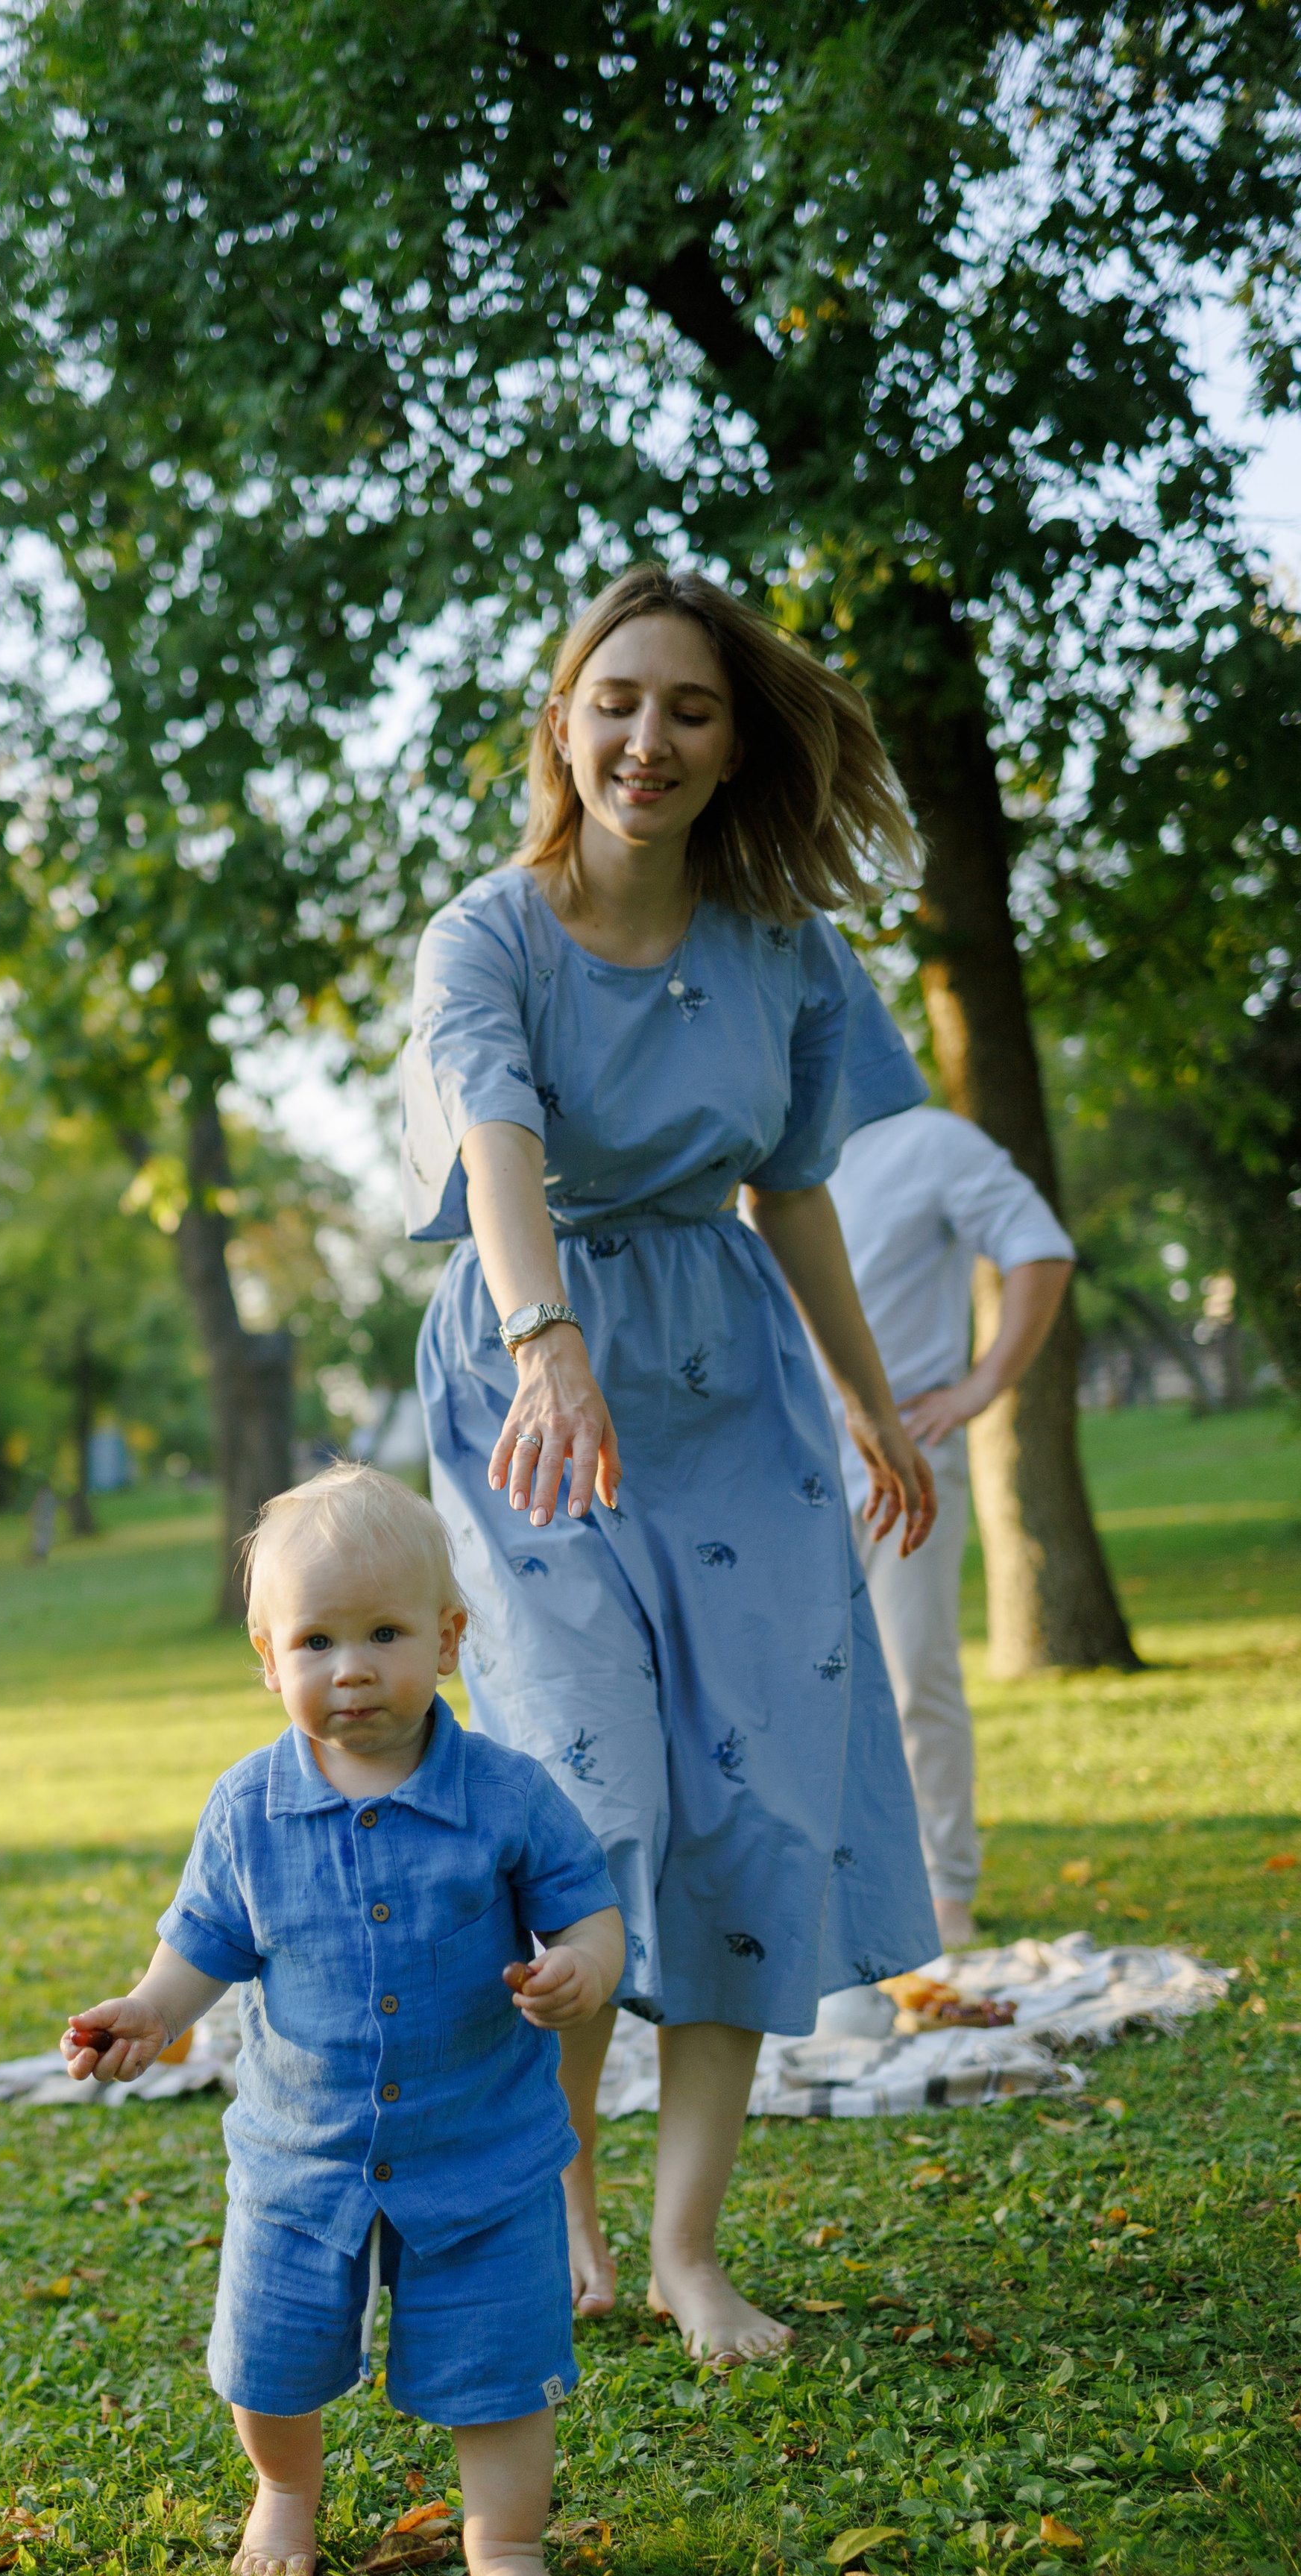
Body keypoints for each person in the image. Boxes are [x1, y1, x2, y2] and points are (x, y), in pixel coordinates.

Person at [403, 562, 941, 2361]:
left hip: (728, 1383)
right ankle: (551, 2188)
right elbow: (495, 1146)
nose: (645, 735)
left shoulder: (782, 952)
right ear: (562, 721)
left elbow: (789, 1189)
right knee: (587, 1795)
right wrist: (544, 1339)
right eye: (614, 698)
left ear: (728, 750)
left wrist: (865, 1399)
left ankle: (689, 2243)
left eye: (687, 710)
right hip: (533, 1378)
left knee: (748, 1800)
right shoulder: (487, 929)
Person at [60, 1464, 626, 2576]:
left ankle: (506, 2546)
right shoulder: (243, 1809)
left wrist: (582, 1967)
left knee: (501, 2365)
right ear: (268, 1660)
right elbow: (200, 1945)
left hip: (482, 2153)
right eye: (315, 1641)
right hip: (298, 2159)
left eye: (384, 1633)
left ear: (450, 1641)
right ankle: (284, 2493)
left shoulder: (509, 1796)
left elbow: (588, 1911)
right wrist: (149, 2012)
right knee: (269, 2359)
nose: (351, 1667)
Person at [805, 1105, 1074, 1950]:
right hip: (774, 1470)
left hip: (904, 1460)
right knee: (796, 1697)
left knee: (914, 1677)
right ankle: (821, 1904)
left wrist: (979, 1387)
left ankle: (944, 1896)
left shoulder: (931, 1141)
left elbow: (1040, 1247)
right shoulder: (756, 1140)